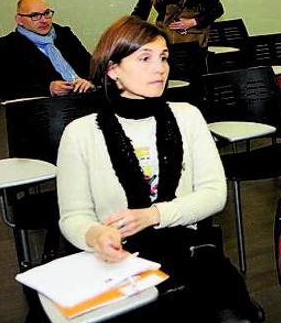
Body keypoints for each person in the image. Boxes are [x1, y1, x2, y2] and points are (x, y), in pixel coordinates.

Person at [56, 16, 261, 321]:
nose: (160, 68)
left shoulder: (187, 116)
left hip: (187, 249)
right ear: (113, 69)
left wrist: (154, 215)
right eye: (145, 58)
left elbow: (214, 194)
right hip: (118, 261)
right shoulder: (80, 133)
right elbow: (73, 216)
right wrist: (96, 234)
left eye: (163, 57)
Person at [0, 0, 93, 100]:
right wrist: (48, 88)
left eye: (47, 13)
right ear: (19, 20)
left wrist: (88, 82)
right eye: (35, 16)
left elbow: (92, 66)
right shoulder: (6, 46)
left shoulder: (64, 34)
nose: (44, 20)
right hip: (42, 107)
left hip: (83, 97)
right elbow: (6, 87)